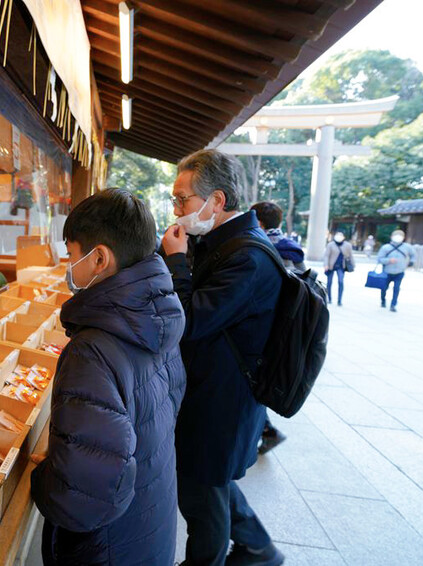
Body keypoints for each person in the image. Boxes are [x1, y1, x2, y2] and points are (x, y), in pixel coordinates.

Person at [31, 189, 187, 565]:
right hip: (148, 529)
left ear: (99, 258)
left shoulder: (92, 349)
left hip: (108, 549)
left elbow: (83, 499)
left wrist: (41, 476)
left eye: (72, 256)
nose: (69, 268)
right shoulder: (159, 319)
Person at [161, 150, 284, 566]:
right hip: (211, 387)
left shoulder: (246, 256)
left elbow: (190, 320)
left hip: (224, 398)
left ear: (216, 200)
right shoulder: (222, 240)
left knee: (200, 492)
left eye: (183, 200)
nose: (177, 209)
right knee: (211, 481)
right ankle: (259, 548)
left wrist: (176, 261)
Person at [249, 201, 299, 456]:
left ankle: (267, 431)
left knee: (256, 389)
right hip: (282, 328)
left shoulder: (260, 247)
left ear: (259, 222)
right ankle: (267, 431)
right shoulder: (289, 246)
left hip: (265, 328)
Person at [376, 229, 416, 312]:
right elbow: (379, 259)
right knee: (384, 288)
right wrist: (388, 260)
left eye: (400, 236)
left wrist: (411, 262)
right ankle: (383, 300)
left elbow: (413, 255)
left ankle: (393, 305)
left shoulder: (407, 247)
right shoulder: (386, 247)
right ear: (391, 237)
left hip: (400, 271)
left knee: (396, 288)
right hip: (387, 271)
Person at [322, 232, 353, 307]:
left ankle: (339, 300)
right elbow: (326, 255)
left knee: (341, 281)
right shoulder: (330, 245)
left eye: (341, 235)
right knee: (329, 282)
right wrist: (326, 265)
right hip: (330, 266)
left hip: (341, 266)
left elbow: (350, 256)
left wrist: (352, 265)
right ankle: (329, 298)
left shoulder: (347, 245)